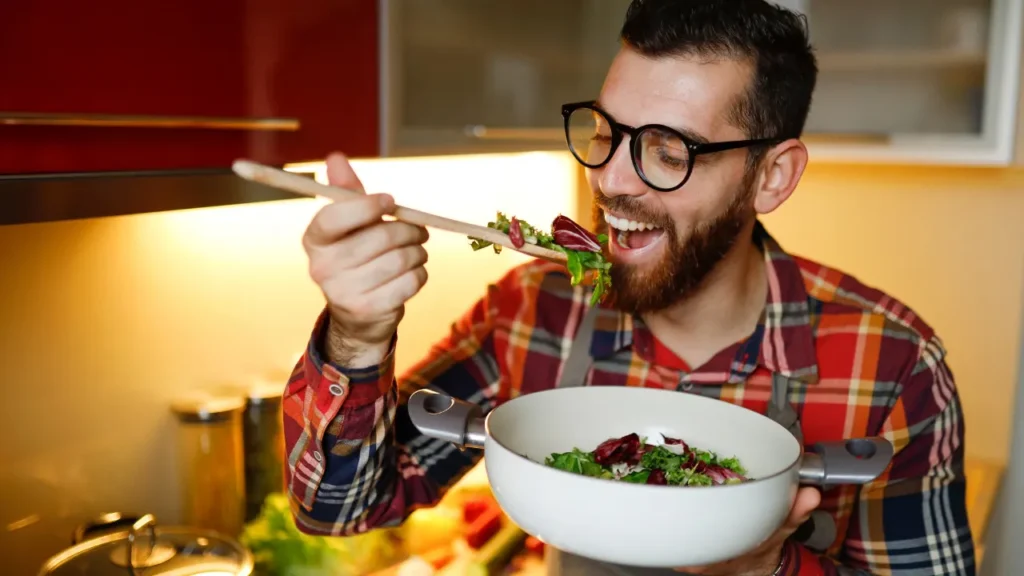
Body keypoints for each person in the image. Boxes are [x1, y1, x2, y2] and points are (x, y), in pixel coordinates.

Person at [282, 0, 975, 574]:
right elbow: (338, 509)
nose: (613, 178)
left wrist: (768, 570)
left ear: (772, 177)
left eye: (668, 152)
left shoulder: (894, 367)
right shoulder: (534, 310)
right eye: (606, 133)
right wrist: (357, 336)